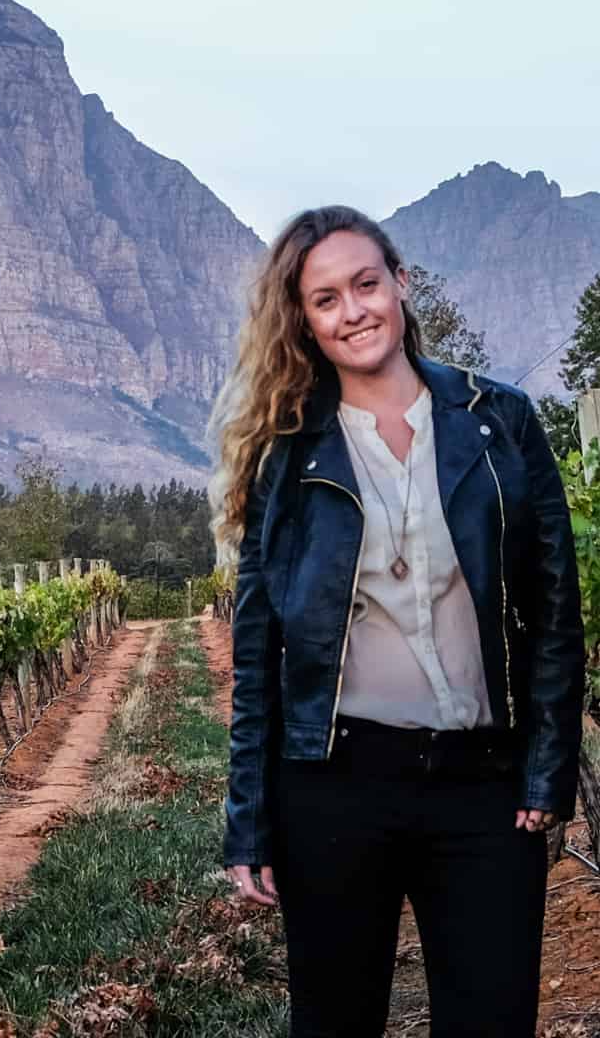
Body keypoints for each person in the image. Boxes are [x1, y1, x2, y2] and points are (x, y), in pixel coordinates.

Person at [209, 205, 584, 1036]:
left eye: (366, 284)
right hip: (334, 787)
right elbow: (260, 649)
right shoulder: (288, 453)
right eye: (326, 299)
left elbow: (555, 611)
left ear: (402, 284)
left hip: (485, 788)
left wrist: (546, 771)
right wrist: (250, 817)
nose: (354, 311)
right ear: (304, 321)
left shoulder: (502, 422)